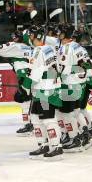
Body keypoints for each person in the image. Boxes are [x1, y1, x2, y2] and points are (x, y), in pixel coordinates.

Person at [25, 26, 63, 160]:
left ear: (35, 36)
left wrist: (24, 88)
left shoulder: (37, 51)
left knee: (48, 119)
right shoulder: (50, 49)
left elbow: (33, 73)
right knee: (35, 117)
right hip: (46, 88)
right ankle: (44, 144)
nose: (29, 38)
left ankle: (56, 147)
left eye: (30, 35)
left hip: (45, 89)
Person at [0, 31, 33, 136]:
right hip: (30, 76)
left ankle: (29, 125)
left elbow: (0, 50)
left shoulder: (16, 46)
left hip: (24, 77)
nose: (13, 40)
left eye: (14, 38)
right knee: (29, 100)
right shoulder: (30, 47)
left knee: (24, 100)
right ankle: (31, 124)